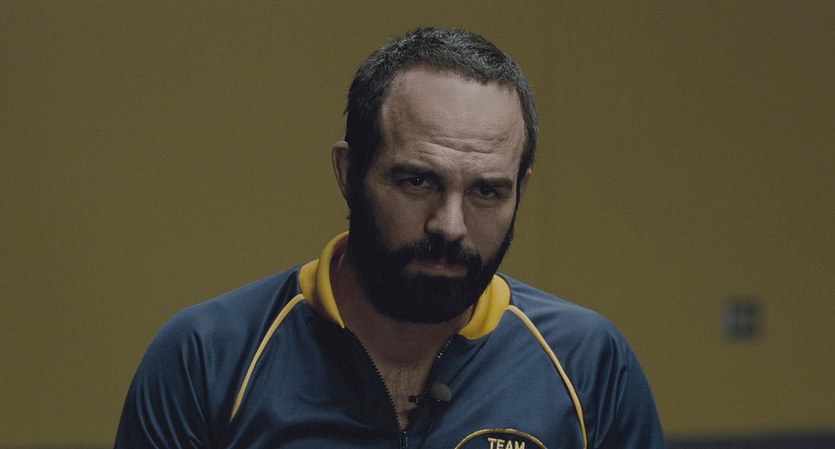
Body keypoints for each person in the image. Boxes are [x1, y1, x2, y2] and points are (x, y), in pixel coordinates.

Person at [115, 27, 667, 449]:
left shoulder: (587, 363)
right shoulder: (208, 359)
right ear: (349, 173)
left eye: (486, 191)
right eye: (417, 181)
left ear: (520, 190)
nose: (450, 225)